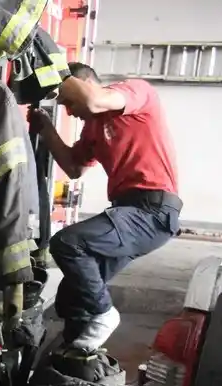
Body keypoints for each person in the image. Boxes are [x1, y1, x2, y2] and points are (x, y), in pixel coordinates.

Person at [30, 63, 182, 351]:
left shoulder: (136, 92)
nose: (71, 111)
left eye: (69, 102)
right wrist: (46, 129)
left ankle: (104, 315)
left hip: (152, 212)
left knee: (68, 243)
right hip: (129, 210)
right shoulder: (93, 130)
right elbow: (74, 167)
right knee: (73, 297)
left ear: (85, 83)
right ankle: (75, 368)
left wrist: (52, 71)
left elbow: (93, 100)